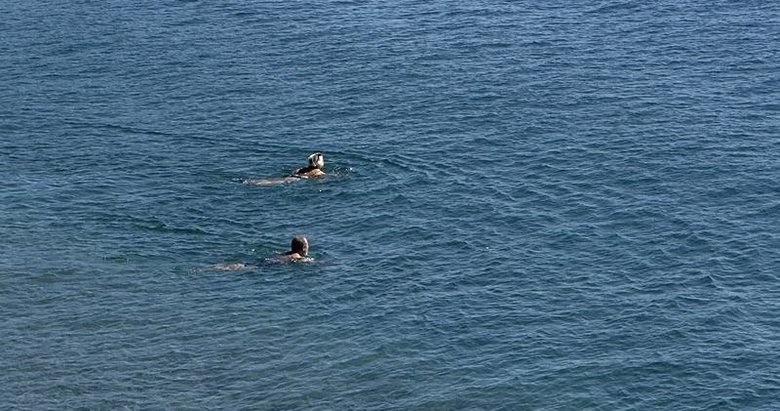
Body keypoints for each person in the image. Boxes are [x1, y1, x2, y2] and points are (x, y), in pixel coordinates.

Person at [241, 153, 325, 186]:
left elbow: (294, 172)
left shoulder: (301, 169)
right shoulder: (318, 172)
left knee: (268, 181)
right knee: (267, 184)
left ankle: (249, 182)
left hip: (290, 177)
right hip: (293, 181)